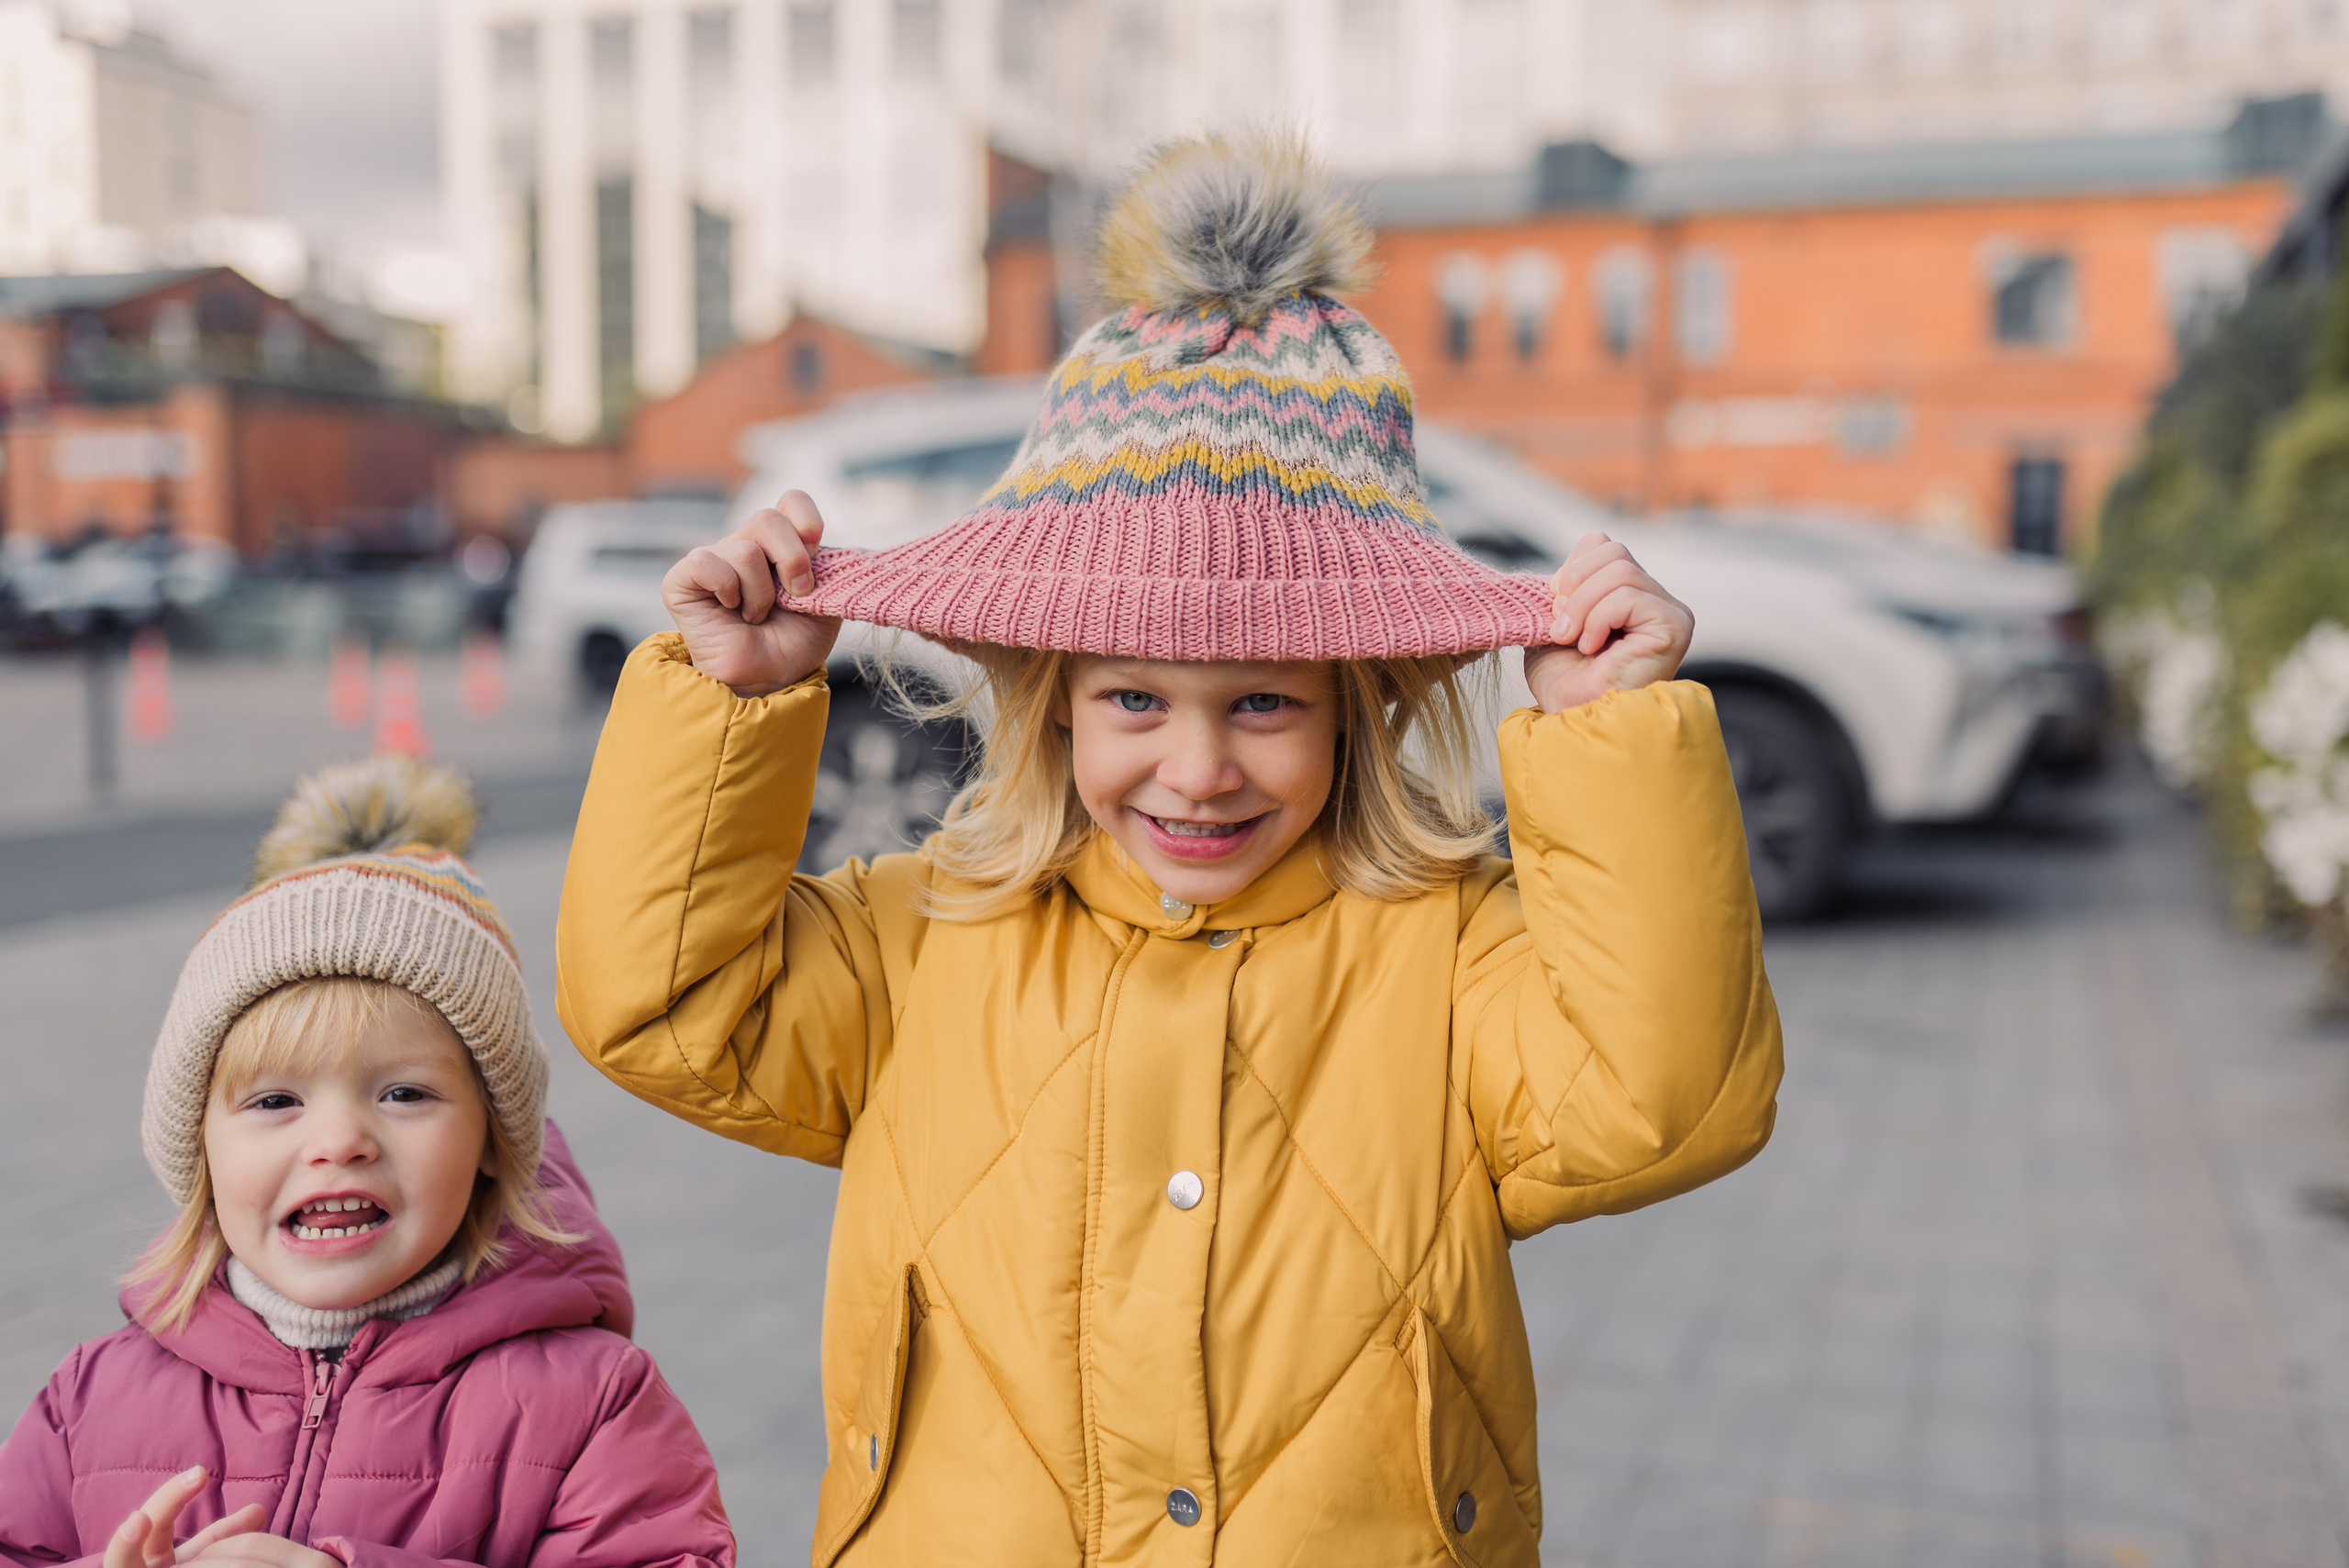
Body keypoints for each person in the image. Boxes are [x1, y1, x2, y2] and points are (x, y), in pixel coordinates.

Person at [558, 132, 1782, 1568]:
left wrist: (1606, 738)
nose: (1198, 772)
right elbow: (662, 1001)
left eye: (1264, 703)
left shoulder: (1450, 953)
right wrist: (733, 708)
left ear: (1356, 708)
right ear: (1052, 700)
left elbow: (1667, 1097)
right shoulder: (921, 940)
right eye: (1134, 700)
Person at [0, 757, 733, 1568]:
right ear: (200, 1150)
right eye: (275, 1100)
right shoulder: (90, 1397)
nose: (340, 1140)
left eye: (404, 1093)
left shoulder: (595, 1401)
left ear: (493, 1139)